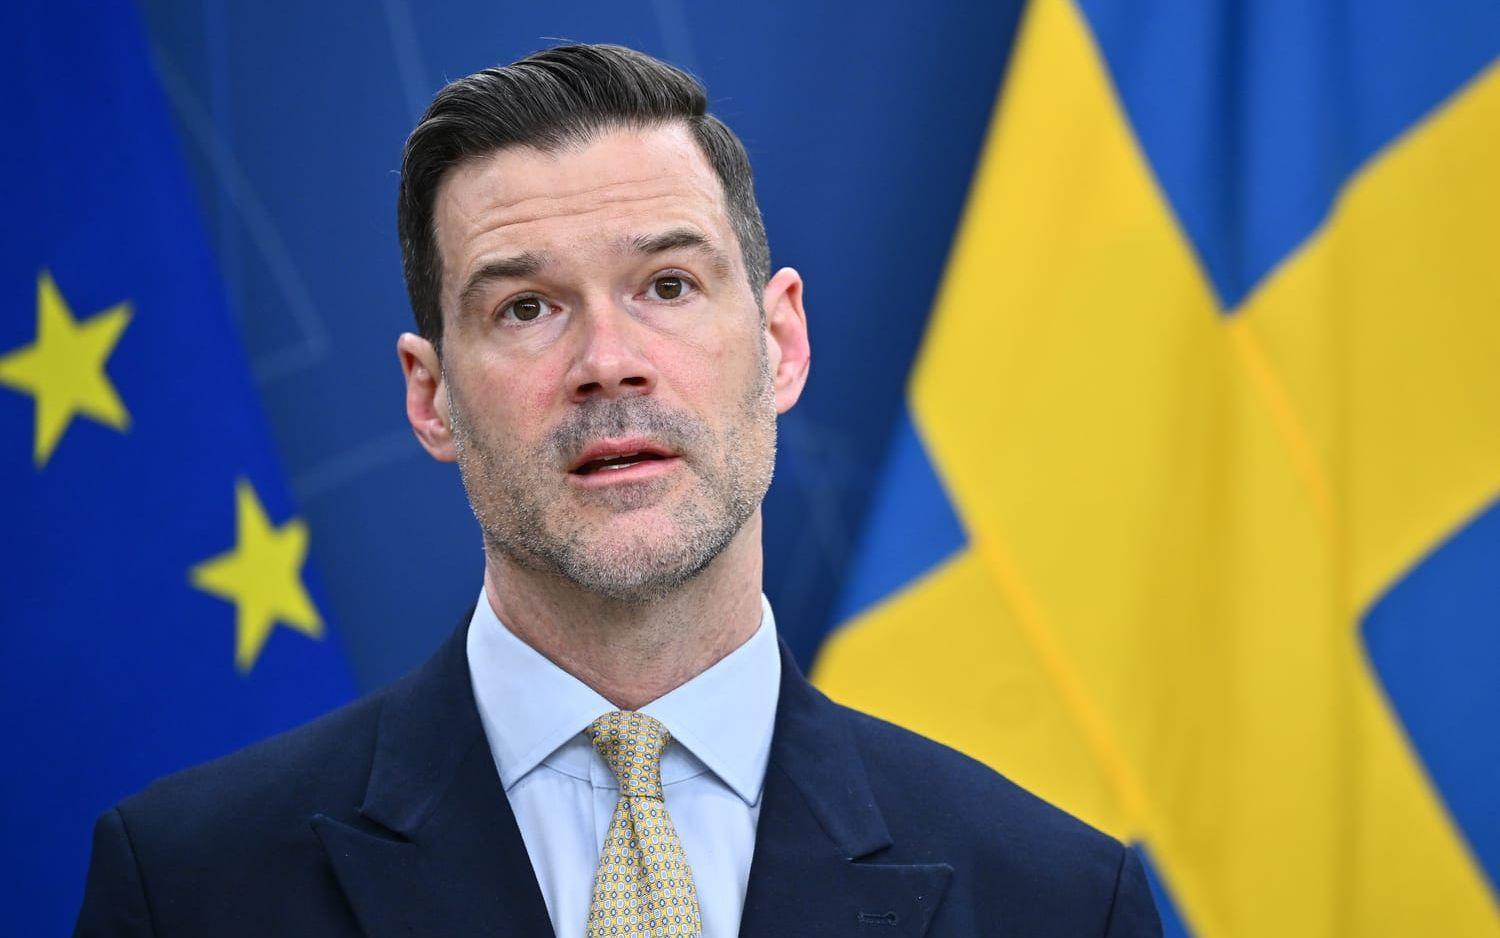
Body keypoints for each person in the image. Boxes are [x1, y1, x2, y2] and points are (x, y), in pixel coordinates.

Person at [74, 44, 1162, 937]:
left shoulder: (1057, 900)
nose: (608, 361)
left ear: (781, 343)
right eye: (526, 308)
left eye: (668, 285)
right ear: (431, 396)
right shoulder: (188, 886)